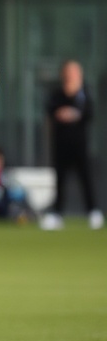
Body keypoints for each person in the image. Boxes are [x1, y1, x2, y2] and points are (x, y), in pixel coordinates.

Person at [41, 60, 102, 230]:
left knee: (85, 178)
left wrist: (74, 114)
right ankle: (57, 214)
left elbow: (88, 113)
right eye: (68, 71)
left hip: (80, 145)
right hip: (60, 144)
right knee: (60, 180)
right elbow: (50, 109)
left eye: (74, 71)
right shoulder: (57, 94)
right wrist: (62, 113)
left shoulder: (84, 94)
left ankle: (93, 212)